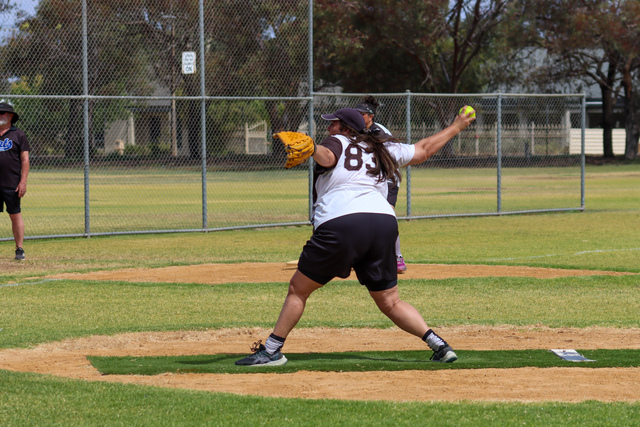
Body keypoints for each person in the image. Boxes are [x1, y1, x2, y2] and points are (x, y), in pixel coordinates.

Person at [236, 106, 475, 367]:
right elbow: (424, 150)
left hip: (342, 223)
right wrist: (458, 126)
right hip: (384, 223)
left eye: (334, 124)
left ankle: (271, 350)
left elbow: (328, 157)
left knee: (298, 290)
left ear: (347, 129)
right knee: (390, 301)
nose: (329, 128)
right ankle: (439, 345)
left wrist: (313, 148)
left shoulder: (337, 141)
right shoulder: (382, 147)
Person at [353, 96, 407, 273]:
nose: (359, 117)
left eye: (362, 114)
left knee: (388, 214)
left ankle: (397, 256)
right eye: (357, 113)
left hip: (389, 178)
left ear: (371, 116)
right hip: (371, 178)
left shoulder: (379, 132)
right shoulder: (356, 130)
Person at [0, 101, 30, 260]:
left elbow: (25, 160)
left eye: (2, 113)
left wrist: (23, 181)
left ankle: (19, 249)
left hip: (11, 183)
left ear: (10, 116)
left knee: (15, 214)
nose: (0, 115)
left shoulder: (18, 135)